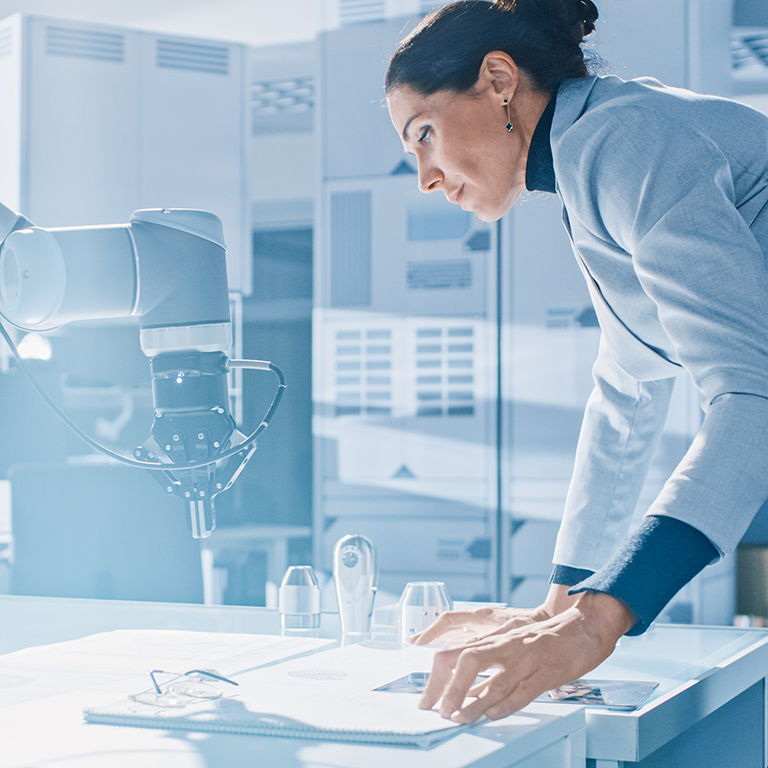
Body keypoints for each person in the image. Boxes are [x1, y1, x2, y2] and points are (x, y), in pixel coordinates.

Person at [386, 0, 768, 724]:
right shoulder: (591, 160)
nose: (426, 179)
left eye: (424, 136)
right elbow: (626, 391)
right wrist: (556, 607)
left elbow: (752, 392)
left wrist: (593, 624)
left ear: (499, 79)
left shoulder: (623, 140)